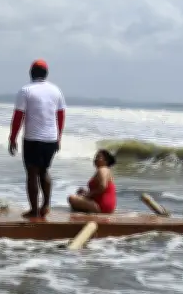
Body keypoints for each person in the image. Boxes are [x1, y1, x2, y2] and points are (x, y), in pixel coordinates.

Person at [8, 59, 66, 218]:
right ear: (46, 74)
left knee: (32, 174)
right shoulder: (56, 91)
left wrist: (12, 138)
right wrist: (59, 137)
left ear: (31, 73)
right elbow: (61, 115)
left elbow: (18, 116)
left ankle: (34, 211)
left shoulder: (25, 90)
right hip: (51, 138)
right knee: (45, 171)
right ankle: (46, 205)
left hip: (33, 138)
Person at [68, 149, 117, 213]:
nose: (95, 159)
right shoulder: (104, 170)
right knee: (78, 195)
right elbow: (99, 189)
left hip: (102, 205)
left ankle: (92, 212)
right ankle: (87, 211)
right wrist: (86, 192)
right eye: (95, 157)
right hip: (105, 205)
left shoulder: (103, 169)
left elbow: (103, 186)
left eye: (98, 157)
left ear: (106, 161)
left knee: (71, 198)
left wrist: (88, 195)